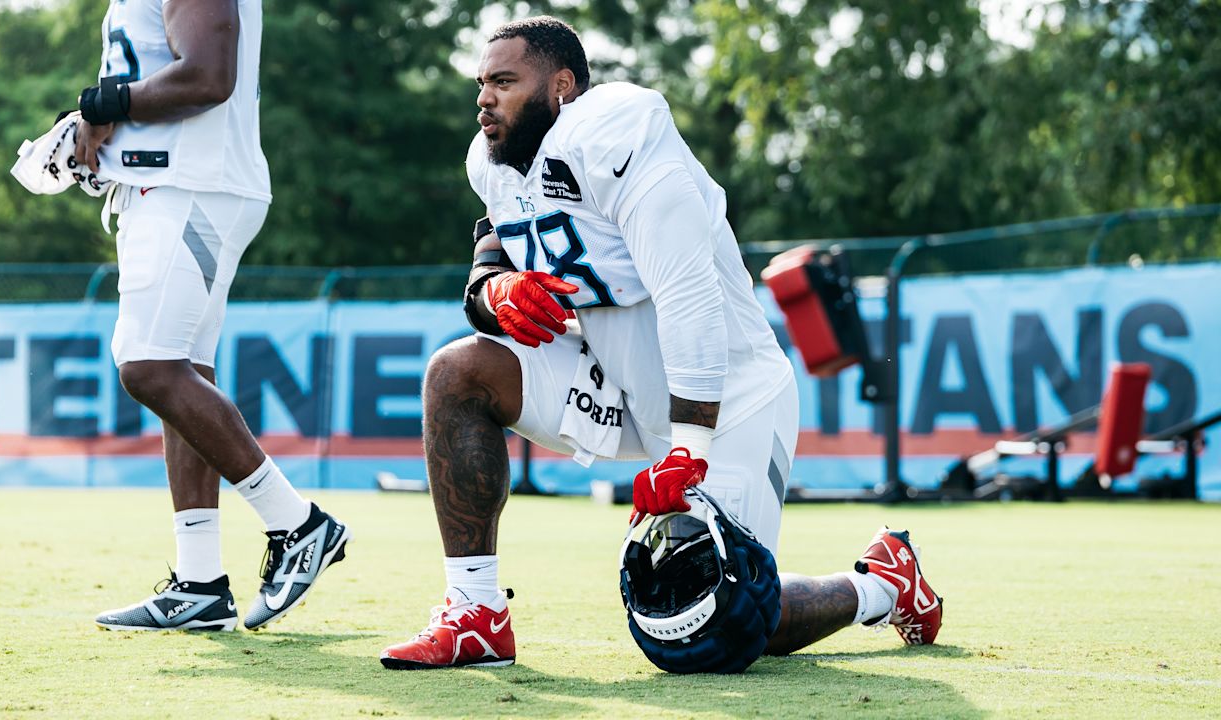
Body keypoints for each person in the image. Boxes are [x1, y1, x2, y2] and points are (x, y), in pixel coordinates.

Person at [379, 15, 942, 669]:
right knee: (456, 374)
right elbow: (488, 263)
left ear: (561, 87)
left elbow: (687, 294)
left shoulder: (620, 129)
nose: (484, 97)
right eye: (481, 82)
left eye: (504, 81)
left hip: (726, 397)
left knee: (722, 622)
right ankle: (475, 612)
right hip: (611, 382)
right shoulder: (494, 160)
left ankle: (882, 584)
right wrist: (498, 291)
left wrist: (688, 452)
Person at [78, 0, 350, 632]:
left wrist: (100, 105)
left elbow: (207, 75)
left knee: (146, 367)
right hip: (175, 185)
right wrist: (88, 119)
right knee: (181, 376)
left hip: (191, 186)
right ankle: (199, 583)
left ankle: (299, 524)